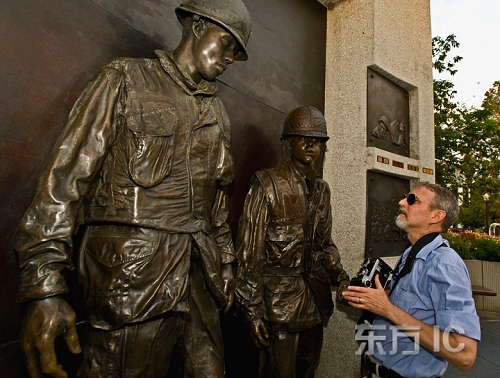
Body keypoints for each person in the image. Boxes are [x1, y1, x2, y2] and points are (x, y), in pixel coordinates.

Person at [13, 0, 251, 376]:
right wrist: (43, 287)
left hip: (199, 281)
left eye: (236, 53)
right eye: (226, 43)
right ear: (197, 25)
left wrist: (225, 263)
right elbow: (62, 184)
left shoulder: (217, 113)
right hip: (133, 283)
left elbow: (217, 202)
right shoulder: (124, 79)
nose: (228, 59)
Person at [234, 105, 350, 378]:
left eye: (318, 140)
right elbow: (249, 252)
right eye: (303, 138)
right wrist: (251, 311)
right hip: (278, 308)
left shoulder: (322, 190)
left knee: (307, 371)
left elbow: (325, 244)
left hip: (315, 305)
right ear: (288, 143)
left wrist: (341, 277)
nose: (311, 145)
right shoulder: (267, 184)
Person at [342, 182, 481, 378]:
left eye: (412, 200)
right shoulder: (412, 253)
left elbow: (465, 354)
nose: (401, 202)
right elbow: (415, 302)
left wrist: (386, 308)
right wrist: (372, 297)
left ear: (437, 216)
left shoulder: (445, 264)